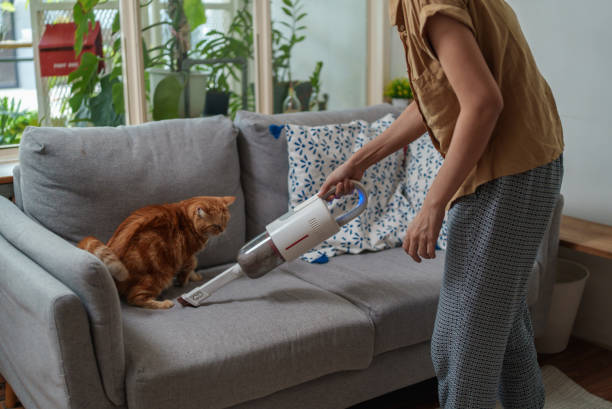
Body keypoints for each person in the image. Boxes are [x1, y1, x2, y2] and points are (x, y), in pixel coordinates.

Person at [318, 0, 564, 408]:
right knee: (503, 336)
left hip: (508, 174)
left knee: (460, 352)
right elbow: (437, 97)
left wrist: (432, 205)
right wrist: (357, 163)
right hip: (522, 166)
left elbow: (483, 102)